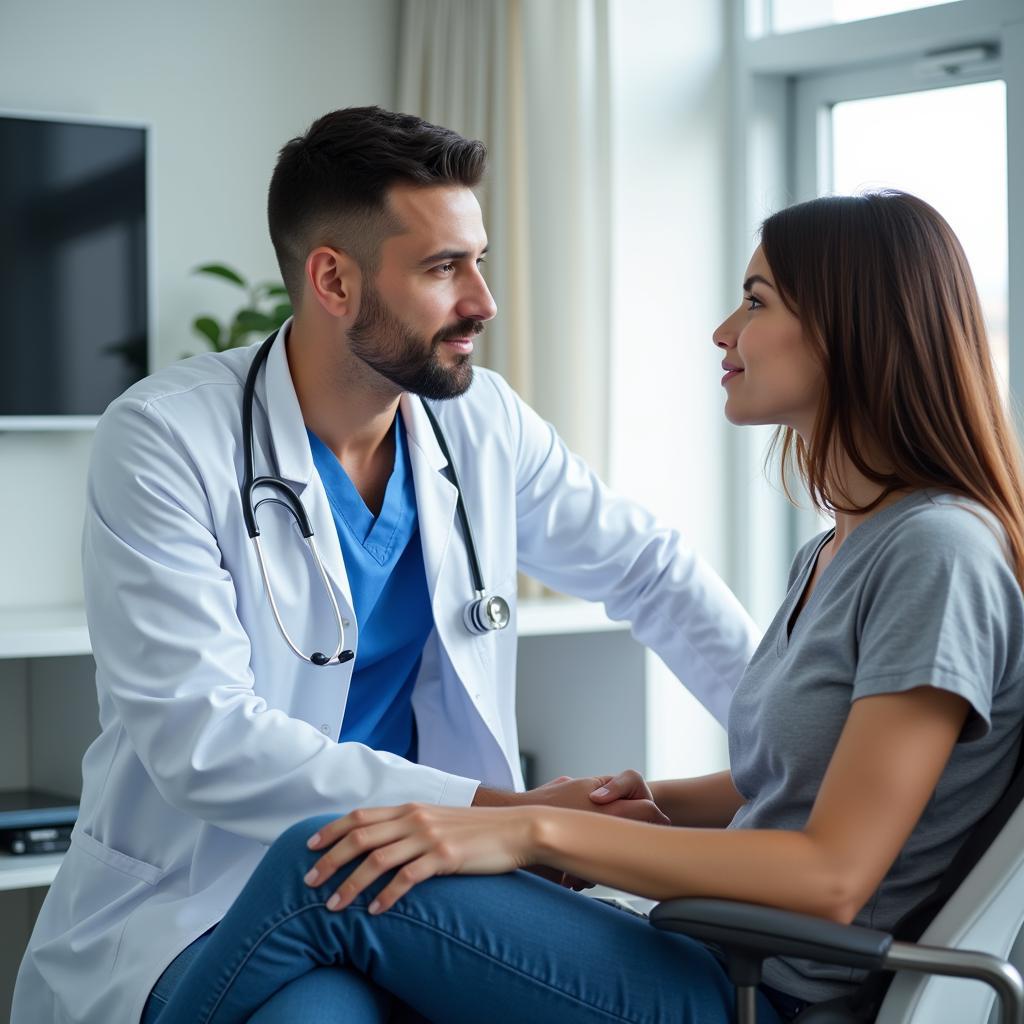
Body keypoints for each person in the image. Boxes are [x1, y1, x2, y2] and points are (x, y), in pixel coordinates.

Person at [124, 190, 1024, 1023]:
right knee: (334, 901)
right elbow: (790, 785)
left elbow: (831, 874)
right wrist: (630, 802)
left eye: (756, 300)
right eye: (447, 265)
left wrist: (529, 826)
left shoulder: (936, 554)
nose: (722, 329)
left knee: (325, 862)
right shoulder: (845, 543)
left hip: (760, 992)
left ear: (852, 330)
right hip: (718, 953)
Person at [12, 107, 758, 1024]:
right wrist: (508, 811)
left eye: (478, 261)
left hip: (419, 882)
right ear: (333, 277)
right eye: (445, 267)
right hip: (200, 901)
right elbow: (204, 743)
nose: (482, 300)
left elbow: (650, 571)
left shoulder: (482, 421)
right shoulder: (167, 437)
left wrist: (790, 749)